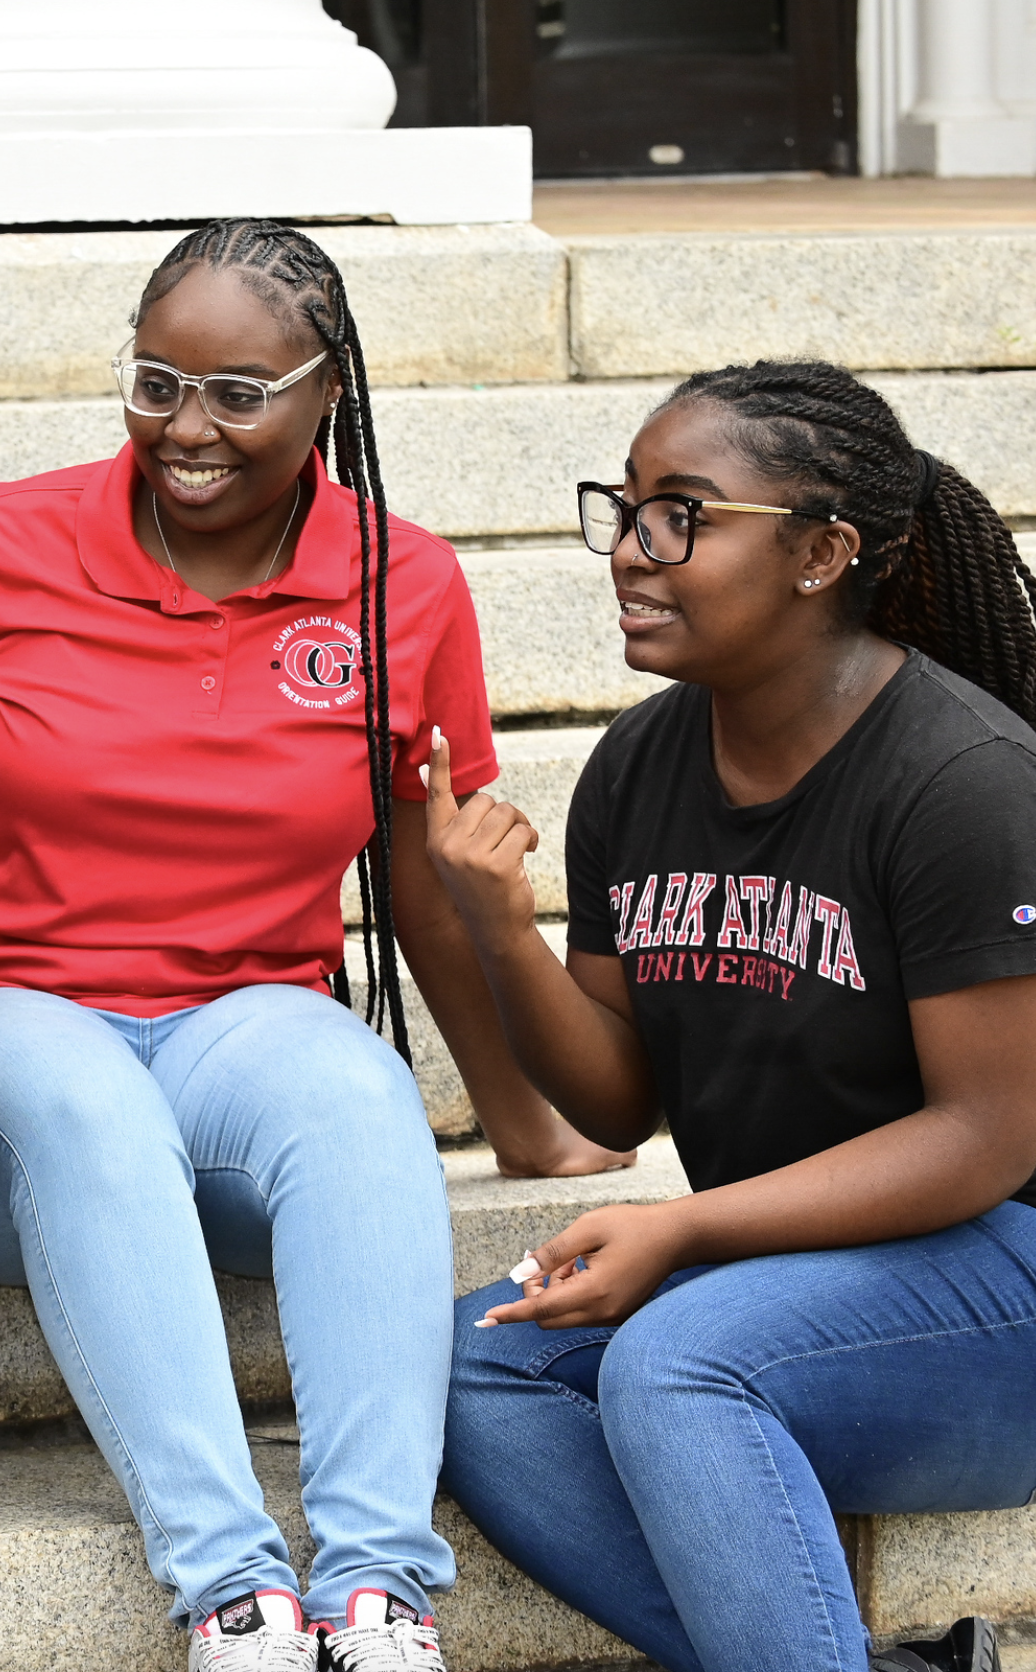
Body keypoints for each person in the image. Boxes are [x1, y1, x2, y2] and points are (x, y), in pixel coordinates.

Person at [0, 219, 624, 1672]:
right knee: (81, 1095)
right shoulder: (0, 542)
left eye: (236, 393)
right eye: (155, 384)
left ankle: (378, 1594)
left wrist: (516, 1114)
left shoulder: (403, 583)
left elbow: (416, 861)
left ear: (329, 390)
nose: (185, 430)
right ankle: (228, 1597)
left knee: (345, 1091)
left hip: (231, 1037)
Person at [432, 360, 1036, 1672]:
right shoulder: (638, 765)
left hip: (1000, 1280)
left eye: (683, 514)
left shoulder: (963, 783)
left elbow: (984, 1139)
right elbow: (612, 1101)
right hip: (791, 1278)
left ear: (820, 554)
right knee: (469, 1364)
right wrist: (495, 923)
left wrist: (689, 1227)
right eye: (627, 507)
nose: (631, 549)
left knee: (677, 1358)